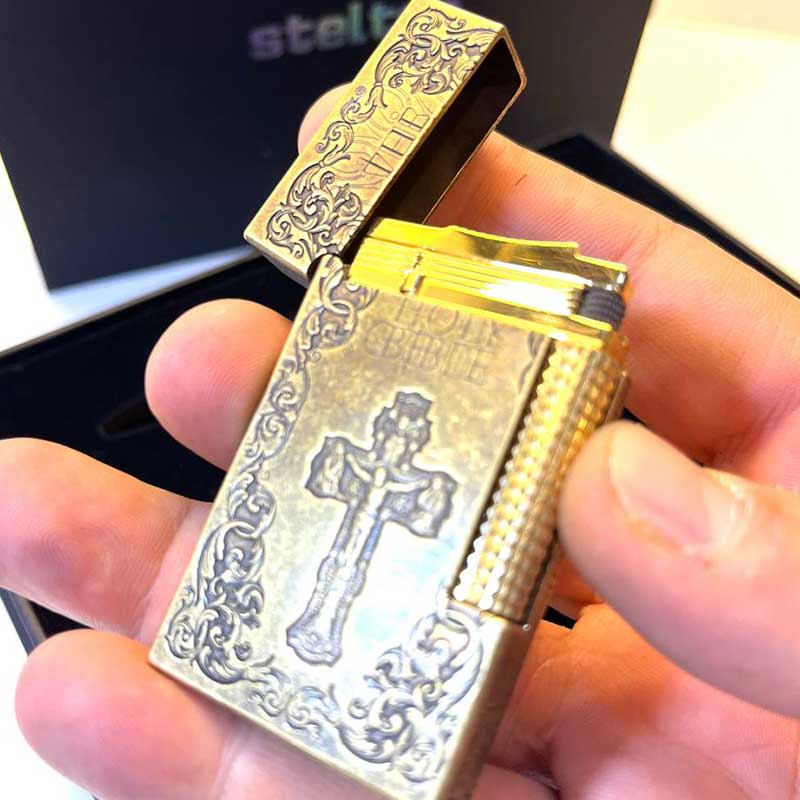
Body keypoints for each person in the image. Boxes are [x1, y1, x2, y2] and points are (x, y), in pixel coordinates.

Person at [2, 86, 799, 799]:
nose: (399, 433)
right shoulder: (379, 383)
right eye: (399, 426)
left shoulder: (536, 371)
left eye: (409, 430)